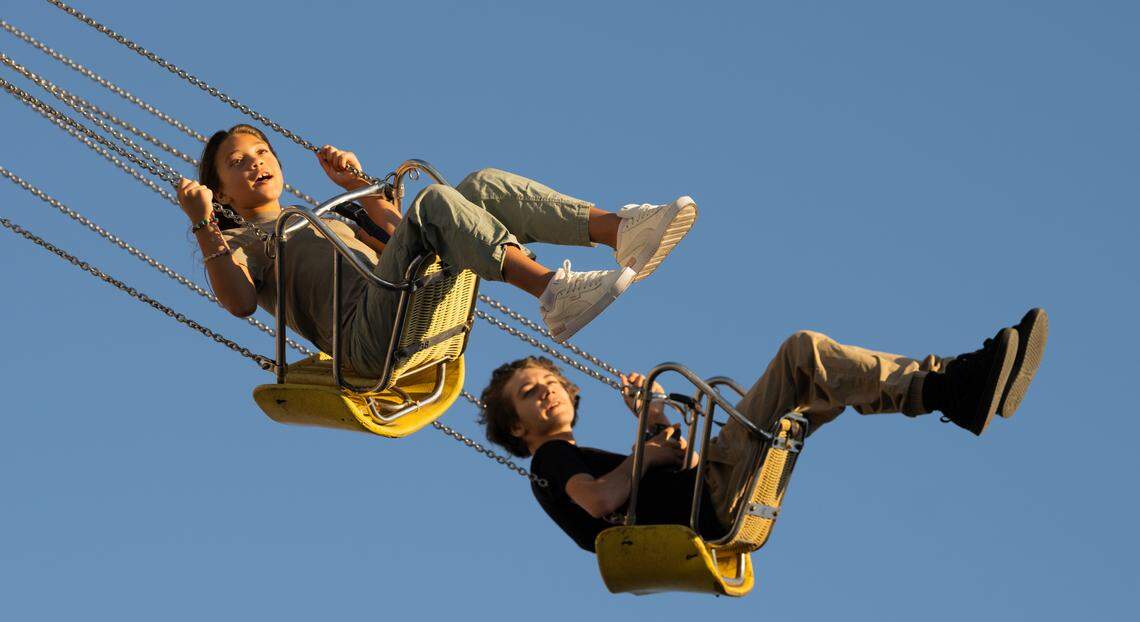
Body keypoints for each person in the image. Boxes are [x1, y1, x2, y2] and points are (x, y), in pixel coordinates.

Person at [478, 309, 1049, 552]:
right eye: (529, 394)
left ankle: (951, 385)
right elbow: (600, 499)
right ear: (515, 426)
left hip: (717, 494)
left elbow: (685, 471)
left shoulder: (591, 455)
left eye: (548, 380)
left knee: (822, 380)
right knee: (802, 356)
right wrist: (651, 453)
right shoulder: (549, 464)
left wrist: (654, 425)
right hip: (716, 505)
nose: (547, 390)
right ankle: (951, 385)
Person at [176, 124, 698, 377]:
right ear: (220, 191)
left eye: (262, 152)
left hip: (403, 297)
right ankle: (551, 292)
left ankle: (619, 230)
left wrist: (354, 181)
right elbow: (240, 303)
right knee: (436, 201)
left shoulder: (331, 214)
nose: (256, 163)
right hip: (365, 338)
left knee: (482, 185)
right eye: (237, 162)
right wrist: (204, 225)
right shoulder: (241, 242)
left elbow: (411, 229)